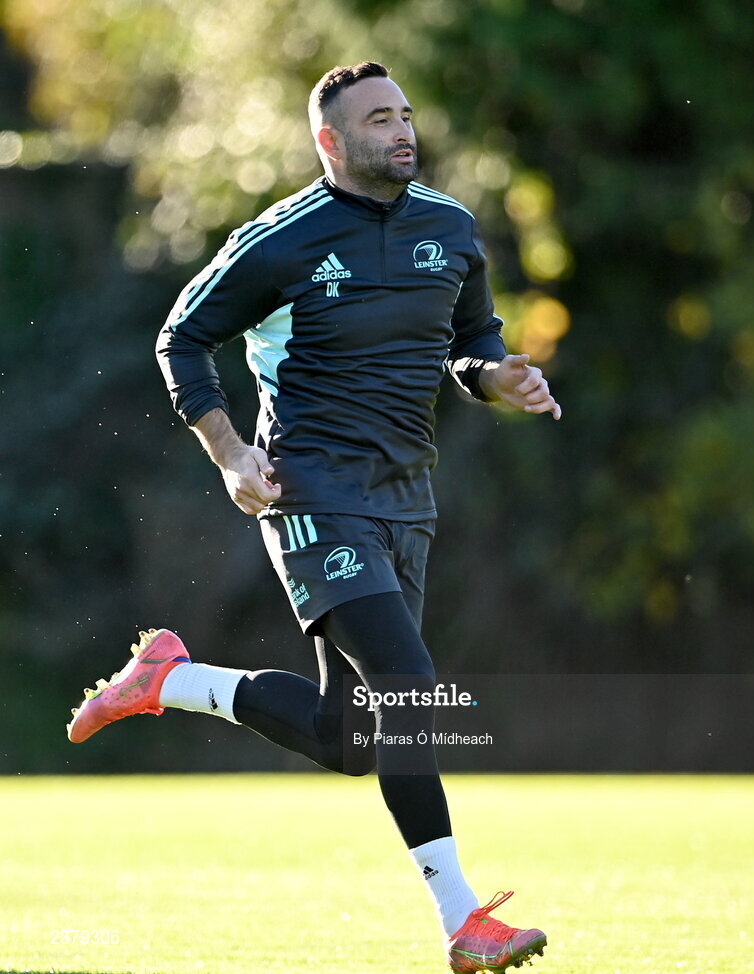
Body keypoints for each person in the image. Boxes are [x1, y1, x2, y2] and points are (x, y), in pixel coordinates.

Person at [67, 61, 559, 973]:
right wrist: (230, 456)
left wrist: (499, 378)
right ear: (331, 142)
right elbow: (184, 337)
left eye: (407, 113)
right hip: (313, 493)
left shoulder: (450, 228)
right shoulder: (282, 241)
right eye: (379, 119)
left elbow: (472, 341)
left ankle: (169, 680)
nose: (402, 129)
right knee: (410, 685)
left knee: (350, 740)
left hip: (407, 497)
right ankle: (462, 920)